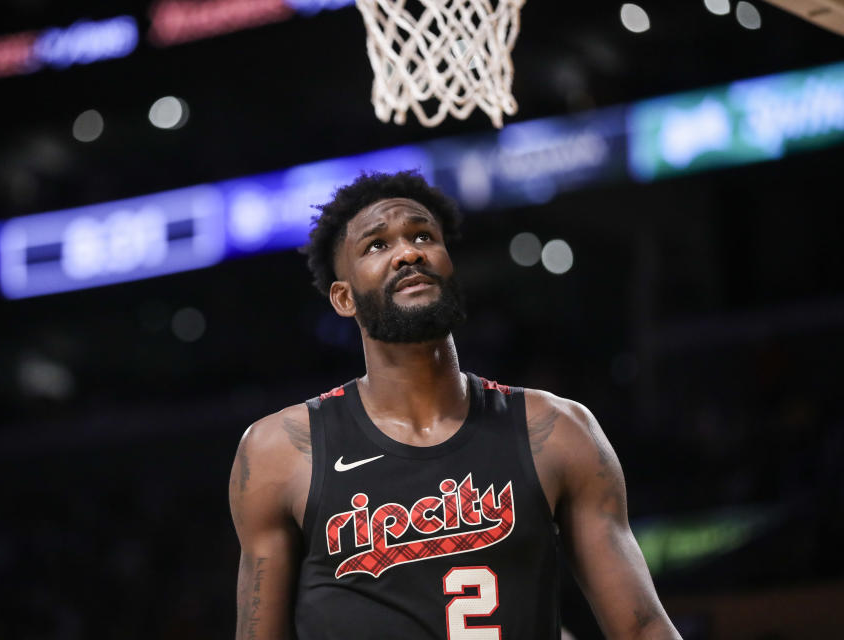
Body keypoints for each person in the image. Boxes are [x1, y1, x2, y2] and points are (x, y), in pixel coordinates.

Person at [229, 170, 681, 639]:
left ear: (448, 265)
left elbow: (643, 628)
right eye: (376, 246)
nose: (408, 252)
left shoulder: (559, 429)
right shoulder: (278, 451)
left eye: (422, 235)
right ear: (344, 298)